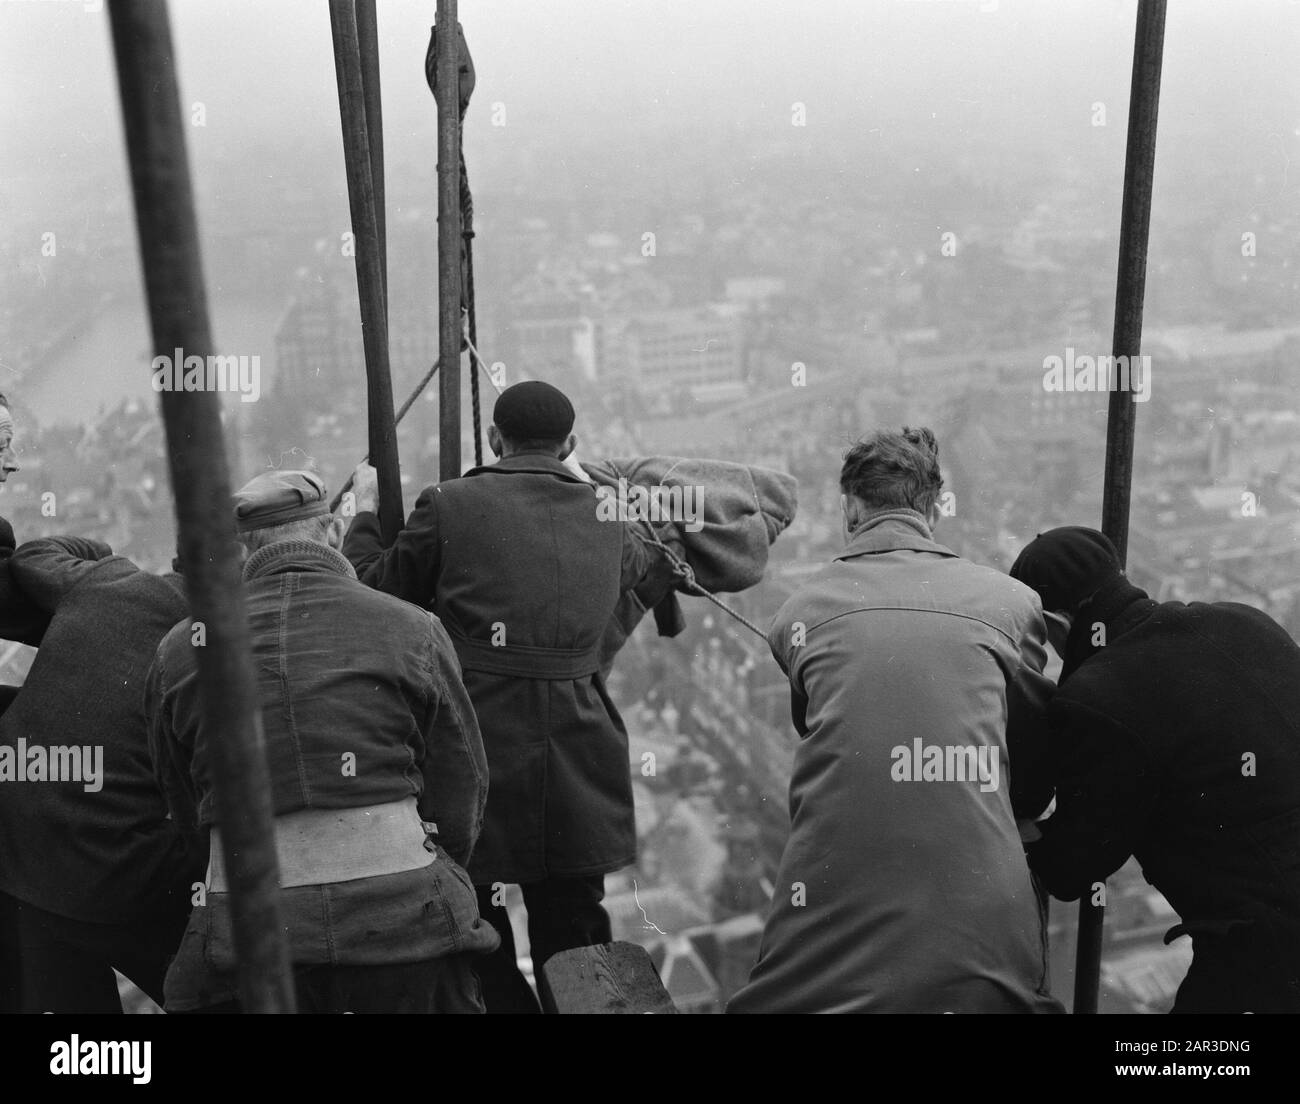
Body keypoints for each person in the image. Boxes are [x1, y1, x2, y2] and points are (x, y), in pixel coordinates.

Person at [728, 427, 1061, 1013]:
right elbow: (1023, 726)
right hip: (984, 888)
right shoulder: (1011, 603)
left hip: (837, 877)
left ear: (849, 508)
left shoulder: (797, 616)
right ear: (933, 507)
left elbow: (821, 724)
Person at [344, 381, 653, 1013]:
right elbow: (634, 565)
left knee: (474, 918)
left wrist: (364, 517)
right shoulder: (610, 514)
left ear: (492, 439)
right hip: (579, 745)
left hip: (475, 742)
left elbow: (376, 590)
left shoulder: (450, 504)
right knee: (576, 923)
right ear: (571, 444)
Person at [147, 470, 497, 1013]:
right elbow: (462, 785)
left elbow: (183, 801)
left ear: (241, 551)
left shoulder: (178, 651)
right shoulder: (412, 628)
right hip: (406, 923)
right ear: (332, 532)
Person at [1010, 526, 1300, 1013]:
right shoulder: (1246, 620)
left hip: (1266, 948)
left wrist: (1015, 830)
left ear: (1056, 624)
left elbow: (1071, 868)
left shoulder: (1098, 699)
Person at [0, 535, 203, 1012]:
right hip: (123, 872)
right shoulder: (226, 636)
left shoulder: (109, 581)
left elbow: (33, 555)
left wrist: (103, 554)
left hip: (22, 862)